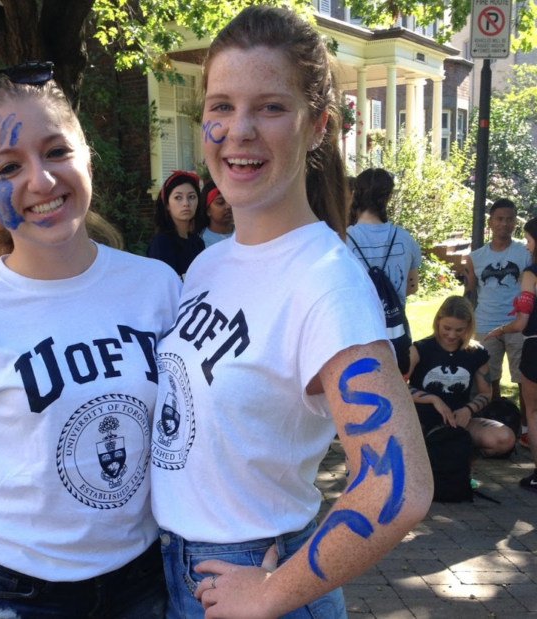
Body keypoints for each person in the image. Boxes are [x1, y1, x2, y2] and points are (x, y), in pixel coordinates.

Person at [150, 7, 432, 619]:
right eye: (220, 107)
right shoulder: (209, 263)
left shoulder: (325, 281)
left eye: (270, 107)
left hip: (253, 576)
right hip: (178, 571)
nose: (238, 129)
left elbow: (399, 486)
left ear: (317, 126)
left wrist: (274, 593)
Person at [0, 62, 180, 618]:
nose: (41, 182)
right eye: (8, 166)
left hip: (142, 581)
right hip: (12, 592)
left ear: (85, 155)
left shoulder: (158, 289)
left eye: (56, 152)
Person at [409, 296, 515, 457]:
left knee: (504, 438)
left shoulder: (477, 352)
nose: (451, 335)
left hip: (459, 420)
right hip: (420, 420)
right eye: (447, 328)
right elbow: (398, 386)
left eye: (459, 330)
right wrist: (433, 399)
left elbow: (485, 393)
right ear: (438, 321)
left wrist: (468, 410)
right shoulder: (419, 349)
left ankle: (462, 459)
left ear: (469, 327)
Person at [464, 198, 531, 444]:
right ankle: (494, 424)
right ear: (490, 222)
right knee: (489, 379)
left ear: (515, 222)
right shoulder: (476, 257)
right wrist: (466, 325)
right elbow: (470, 293)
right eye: (499, 219)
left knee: (523, 378)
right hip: (485, 325)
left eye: (510, 219)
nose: (504, 223)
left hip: (518, 325)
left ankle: (524, 427)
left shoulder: (524, 253)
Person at [346, 168, 421, 373]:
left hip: (356, 337)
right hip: (394, 334)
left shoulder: (342, 241)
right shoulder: (405, 239)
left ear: (355, 195)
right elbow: (411, 287)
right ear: (388, 197)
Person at [484, 217, 537, 490]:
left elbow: (521, 323)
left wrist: (500, 330)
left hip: (534, 344)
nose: (527, 246)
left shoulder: (531, 273)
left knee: (535, 412)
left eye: (528, 240)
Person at [147, 171, 206, 277]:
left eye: (191, 197)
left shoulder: (198, 243)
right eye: (178, 197)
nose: (186, 204)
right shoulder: (162, 243)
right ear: (167, 205)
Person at [199, 180, 234, 248]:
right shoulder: (200, 241)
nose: (228, 206)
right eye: (220, 202)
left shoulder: (243, 233)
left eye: (230, 200)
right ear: (207, 210)